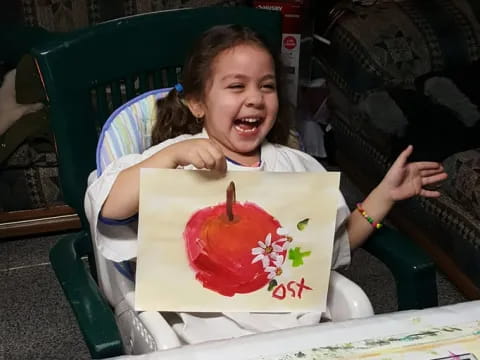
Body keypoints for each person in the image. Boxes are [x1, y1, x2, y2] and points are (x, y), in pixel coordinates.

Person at [85, 24, 447, 344]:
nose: (255, 98)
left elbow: (327, 248)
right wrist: (171, 156)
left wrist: (385, 195)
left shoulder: (295, 165)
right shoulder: (174, 159)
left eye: (267, 86)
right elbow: (110, 208)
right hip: (195, 334)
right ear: (197, 103)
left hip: (294, 328)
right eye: (236, 86)